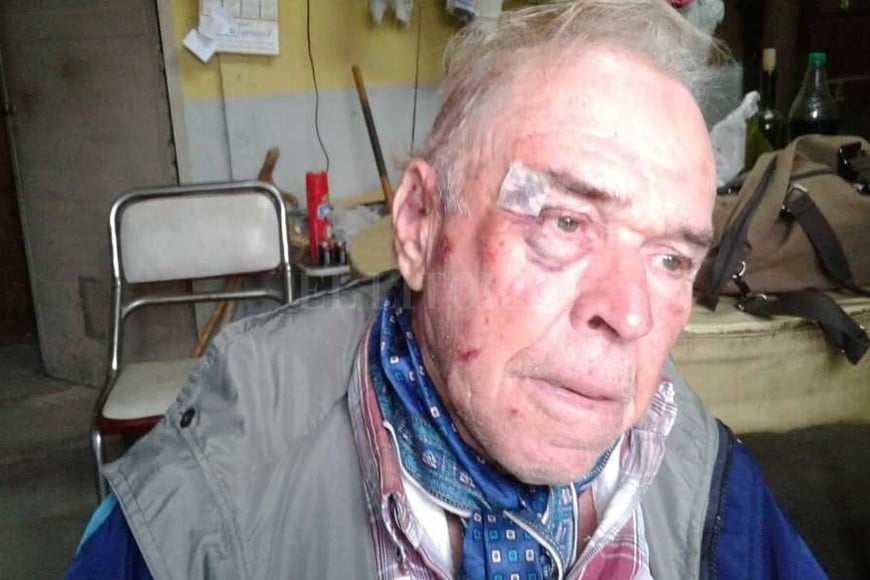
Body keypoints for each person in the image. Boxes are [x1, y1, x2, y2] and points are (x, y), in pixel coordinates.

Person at [68, 1, 825, 578]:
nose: (629, 313)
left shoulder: (699, 467)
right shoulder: (204, 509)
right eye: (565, 222)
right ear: (420, 225)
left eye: (670, 260)